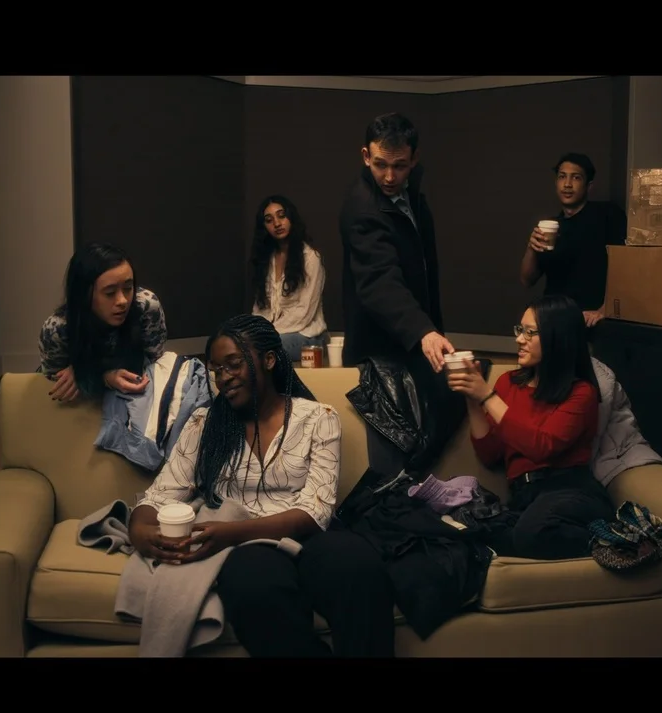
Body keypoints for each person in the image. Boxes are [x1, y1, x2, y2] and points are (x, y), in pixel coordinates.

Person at [127, 314, 395, 658]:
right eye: (216, 369)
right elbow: (161, 495)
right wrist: (140, 529)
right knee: (254, 586)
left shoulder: (318, 418)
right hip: (247, 549)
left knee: (359, 567)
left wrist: (229, 532)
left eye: (233, 364)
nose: (223, 378)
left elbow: (316, 512)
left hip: (310, 535)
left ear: (269, 360)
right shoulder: (204, 424)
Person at [446, 294, 615, 561]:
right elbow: (490, 454)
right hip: (524, 497)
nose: (519, 339)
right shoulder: (508, 383)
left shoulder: (581, 392)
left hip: (569, 490)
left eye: (529, 332)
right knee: (469, 532)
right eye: (519, 330)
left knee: (531, 531)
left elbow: (542, 446)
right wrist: (473, 398)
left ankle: (612, 539)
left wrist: (488, 397)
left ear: (556, 337)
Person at [340, 111, 453, 476]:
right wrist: (423, 330)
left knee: (450, 402)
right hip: (378, 351)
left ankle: (419, 493)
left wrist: (431, 330)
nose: (389, 177)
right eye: (380, 165)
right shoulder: (361, 208)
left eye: (399, 166)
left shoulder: (414, 193)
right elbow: (378, 282)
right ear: (365, 156)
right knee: (388, 449)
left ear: (413, 159)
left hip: (413, 340)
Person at [38, 242, 167, 403]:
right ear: (84, 295)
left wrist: (88, 373)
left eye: (128, 288)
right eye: (110, 293)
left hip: (135, 397)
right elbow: (57, 384)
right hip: (81, 406)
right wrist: (99, 377)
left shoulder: (146, 306)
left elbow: (156, 365)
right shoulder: (57, 329)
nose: (122, 301)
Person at [519, 152, 626, 334]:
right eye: (562, 177)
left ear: (588, 186)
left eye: (576, 178)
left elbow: (626, 267)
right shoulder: (551, 226)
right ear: (556, 183)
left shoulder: (607, 215)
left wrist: (605, 309)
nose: (567, 184)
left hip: (590, 319)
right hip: (554, 318)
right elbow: (527, 280)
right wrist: (531, 247)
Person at [250, 194, 329, 361]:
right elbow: (259, 309)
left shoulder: (311, 258)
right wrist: (255, 333)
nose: (277, 223)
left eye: (281, 215)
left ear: (291, 217)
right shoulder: (266, 261)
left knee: (261, 350)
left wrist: (267, 335)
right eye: (269, 220)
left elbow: (304, 312)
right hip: (272, 336)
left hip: (307, 336)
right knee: (241, 344)